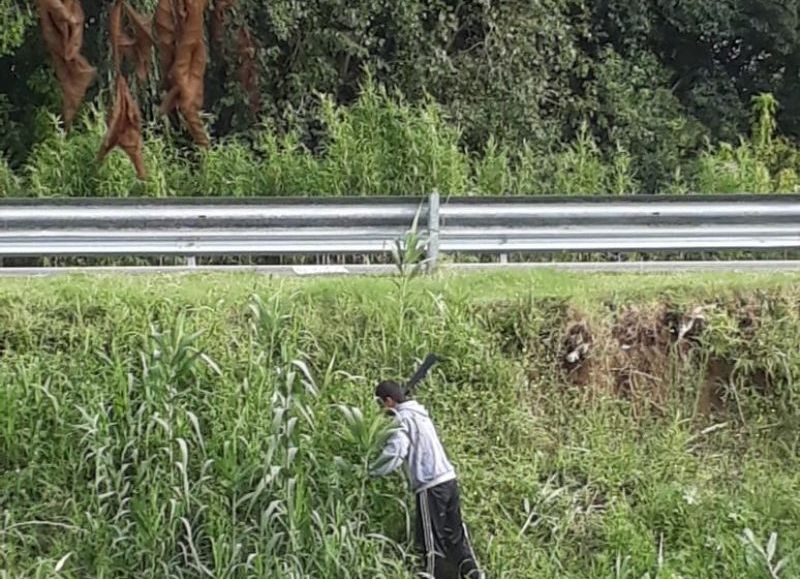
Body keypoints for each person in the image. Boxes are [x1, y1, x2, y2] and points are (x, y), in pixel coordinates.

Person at [369, 380, 485, 579]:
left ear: (388, 401)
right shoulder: (421, 414)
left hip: (430, 485)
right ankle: (475, 575)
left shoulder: (402, 419)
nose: (381, 411)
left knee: (431, 541)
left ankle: (432, 576)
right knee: (455, 535)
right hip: (449, 480)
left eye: (381, 404)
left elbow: (395, 453)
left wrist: (371, 471)